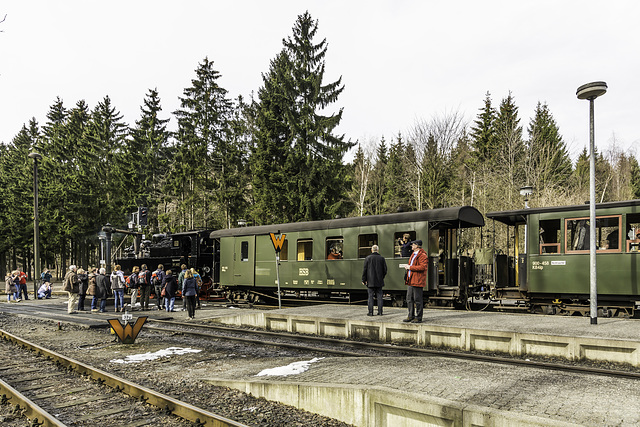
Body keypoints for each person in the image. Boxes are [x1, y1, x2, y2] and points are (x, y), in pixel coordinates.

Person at [403, 240, 428, 323]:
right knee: (409, 298)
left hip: (417, 280)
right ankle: (410, 315)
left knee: (418, 299)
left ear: (417, 246)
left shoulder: (423, 255)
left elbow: (423, 267)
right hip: (411, 280)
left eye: (413, 245)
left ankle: (418, 317)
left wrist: (410, 267)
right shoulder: (413, 254)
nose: (411, 246)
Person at [362, 244, 387, 316]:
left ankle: (370, 312)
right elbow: (385, 270)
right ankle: (380, 312)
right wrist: (381, 277)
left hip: (370, 281)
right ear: (378, 250)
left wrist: (364, 280)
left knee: (370, 296)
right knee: (379, 297)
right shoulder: (382, 258)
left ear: (371, 250)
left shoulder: (368, 258)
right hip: (379, 281)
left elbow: (365, 270)